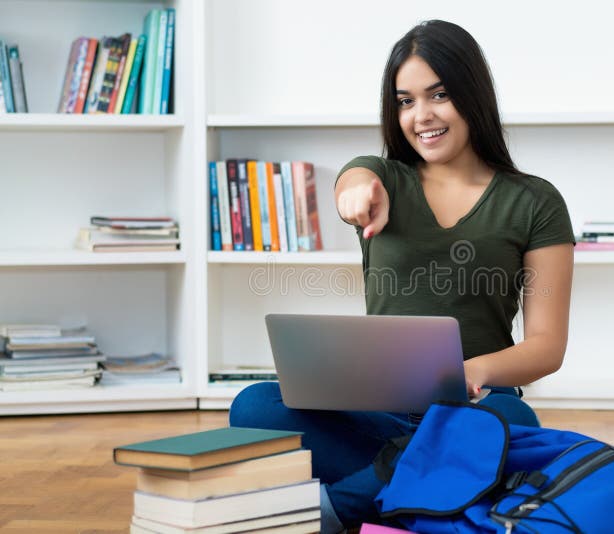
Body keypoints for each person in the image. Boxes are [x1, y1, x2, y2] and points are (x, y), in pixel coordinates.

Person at [229, 19, 575, 532]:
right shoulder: (384, 178)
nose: (422, 116)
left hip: (474, 410)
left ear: (472, 94)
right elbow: (355, 178)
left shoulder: (535, 201)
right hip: (376, 411)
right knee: (255, 405)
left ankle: (341, 508)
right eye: (405, 100)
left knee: (511, 424)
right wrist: (355, 192)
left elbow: (546, 346)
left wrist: (473, 372)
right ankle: (429, 488)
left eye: (439, 95)